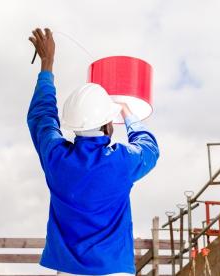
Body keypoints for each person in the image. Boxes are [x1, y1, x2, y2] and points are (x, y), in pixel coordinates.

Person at [28, 28, 160, 276]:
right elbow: (149, 148)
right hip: (114, 271)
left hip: (67, 270)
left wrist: (47, 63)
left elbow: (42, 116)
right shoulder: (121, 162)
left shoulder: (56, 158)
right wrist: (128, 113)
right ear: (109, 125)